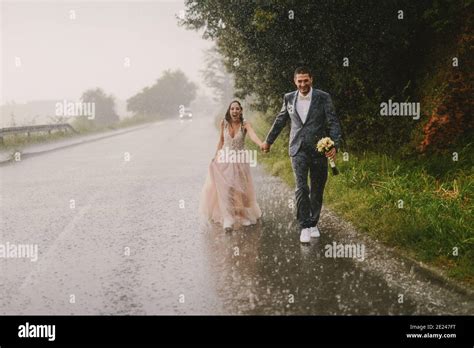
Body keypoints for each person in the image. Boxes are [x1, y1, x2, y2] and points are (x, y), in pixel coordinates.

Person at [261, 66, 342, 244]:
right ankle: (304, 226)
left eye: (306, 80)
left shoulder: (323, 97)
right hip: (297, 149)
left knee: (317, 187)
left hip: (319, 149)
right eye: (299, 81)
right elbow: (281, 120)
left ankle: (314, 223)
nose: (303, 84)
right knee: (301, 187)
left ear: (311, 79)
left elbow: (333, 121)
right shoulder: (289, 98)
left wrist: (334, 144)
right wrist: (268, 141)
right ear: (294, 81)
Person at [199, 100, 263, 232]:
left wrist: (261, 144)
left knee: (240, 189)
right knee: (226, 189)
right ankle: (228, 217)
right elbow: (221, 141)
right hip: (225, 159)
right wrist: (216, 155)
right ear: (229, 111)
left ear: (241, 111)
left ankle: (242, 215)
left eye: (237, 109)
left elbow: (252, 136)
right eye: (232, 109)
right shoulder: (224, 123)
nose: (235, 111)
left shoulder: (245, 124)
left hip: (240, 160)